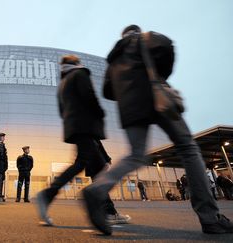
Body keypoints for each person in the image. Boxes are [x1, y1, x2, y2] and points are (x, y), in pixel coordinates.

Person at [83, 25, 233, 235]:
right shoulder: (146, 38)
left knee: (135, 155)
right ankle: (210, 217)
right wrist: (159, 76)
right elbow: (168, 47)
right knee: (188, 149)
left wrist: (129, 90)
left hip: (131, 108)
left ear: (122, 36)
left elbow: (108, 91)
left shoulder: (114, 59)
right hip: (157, 98)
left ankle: (96, 189)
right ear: (136, 31)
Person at [36, 55, 131, 226]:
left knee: (97, 168)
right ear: (76, 63)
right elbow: (90, 96)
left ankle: (108, 212)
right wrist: (100, 113)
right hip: (87, 126)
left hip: (74, 127)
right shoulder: (80, 74)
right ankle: (48, 194)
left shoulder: (62, 84)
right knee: (82, 163)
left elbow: (61, 111)